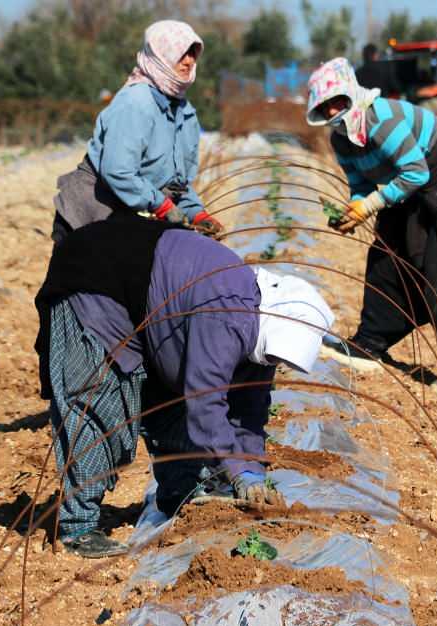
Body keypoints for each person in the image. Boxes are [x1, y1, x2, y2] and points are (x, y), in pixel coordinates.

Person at [34, 215, 334, 557]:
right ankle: (79, 527)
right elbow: (205, 400)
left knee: (170, 397)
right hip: (97, 280)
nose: (274, 362)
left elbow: (249, 412)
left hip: (148, 304)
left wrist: (251, 470)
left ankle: (180, 495)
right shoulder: (228, 314)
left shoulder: (258, 339)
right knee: (100, 404)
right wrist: (236, 472)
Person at [306, 58, 437, 395]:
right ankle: (370, 343)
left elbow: (416, 171)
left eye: (337, 102)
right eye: (324, 107)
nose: (333, 112)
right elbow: (361, 184)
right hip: (407, 189)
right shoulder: (341, 139)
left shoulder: (381, 119)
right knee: (388, 256)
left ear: (352, 95)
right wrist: (354, 209)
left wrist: (371, 204)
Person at [51, 20, 222, 244]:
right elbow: (118, 171)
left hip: (125, 217)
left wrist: (196, 213)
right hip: (91, 215)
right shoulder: (136, 102)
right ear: (161, 55)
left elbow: (177, 184)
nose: (189, 61)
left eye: (192, 53)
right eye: (181, 53)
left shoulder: (184, 112)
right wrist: (161, 205)